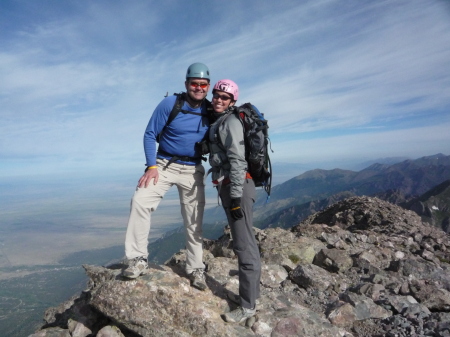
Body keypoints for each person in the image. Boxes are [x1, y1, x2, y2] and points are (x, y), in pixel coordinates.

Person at [122, 63, 211, 291]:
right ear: (186, 84)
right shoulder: (170, 104)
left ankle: (195, 267)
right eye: (194, 83)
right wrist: (151, 166)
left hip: (192, 168)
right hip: (163, 164)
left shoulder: (210, 110)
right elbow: (150, 133)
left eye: (203, 84)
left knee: (194, 219)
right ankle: (137, 259)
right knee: (140, 202)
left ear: (208, 86)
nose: (198, 88)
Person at [207, 79, 261, 323]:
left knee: (243, 244)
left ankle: (248, 306)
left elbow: (238, 161)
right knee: (245, 241)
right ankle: (252, 296)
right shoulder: (221, 120)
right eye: (216, 95)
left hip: (236, 187)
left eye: (224, 97)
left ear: (232, 101)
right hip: (231, 186)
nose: (218, 99)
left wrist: (237, 195)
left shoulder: (230, 122)